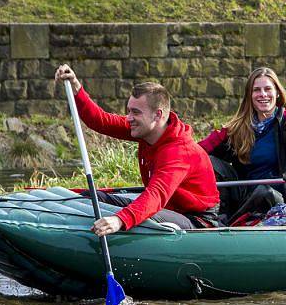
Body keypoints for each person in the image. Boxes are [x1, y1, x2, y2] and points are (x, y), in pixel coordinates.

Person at [54, 64, 221, 235]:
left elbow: (156, 195)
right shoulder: (145, 130)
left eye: (136, 112)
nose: (129, 118)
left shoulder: (178, 151)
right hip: (167, 207)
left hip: (197, 219)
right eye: (128, 111)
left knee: (137, 217)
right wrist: (75, 85)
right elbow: (100, 121)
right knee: (94, 197)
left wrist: (120, 220)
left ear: (158, 114)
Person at [199, 67, 286, 222]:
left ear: (277, 93)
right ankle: (218, 217)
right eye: (257, 90)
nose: (263, 94)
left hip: (282, 198)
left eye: (268, 89)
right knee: (207, 161)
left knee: (265, 192)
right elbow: (198, 150)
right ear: (250, 95)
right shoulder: (237, 128)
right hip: (245, 198)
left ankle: (231, 221)